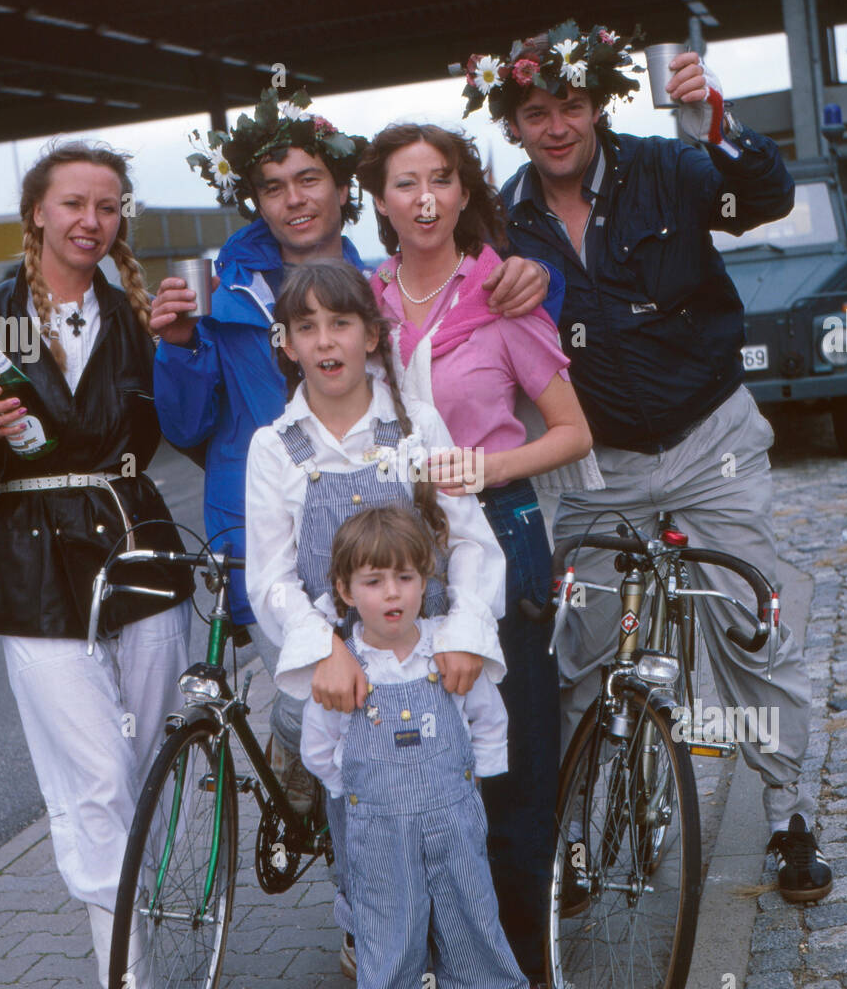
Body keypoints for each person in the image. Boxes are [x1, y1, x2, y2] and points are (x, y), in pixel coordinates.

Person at [455, 21, 832, 902]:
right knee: (582, 648)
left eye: (572, 106)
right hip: (596, 463)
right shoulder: (503, 225)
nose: (556, 126)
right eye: (536, 111)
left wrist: (713, 122)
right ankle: (577, 835)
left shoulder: (669, 166)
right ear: (512, 122)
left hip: (710, 441)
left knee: (750, 624)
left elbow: (764, 197)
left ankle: (788, 818)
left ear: (598, 106)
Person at [151, 90, 557, 835]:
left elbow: (458, 284)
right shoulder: (223, 291)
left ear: (344, 191)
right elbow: (186, 424)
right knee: (324, 711)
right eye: (272, 186)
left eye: (309, 179)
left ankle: (383, 896)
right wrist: (176, 348)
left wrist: (527, 271)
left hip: (393, 555)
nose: (294, 199)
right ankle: (351, 871)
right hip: (268, 537)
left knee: (394, 736)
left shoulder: (381, 288)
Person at [0, 141, 197, 989]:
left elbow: (155, 434)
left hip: (139, 554)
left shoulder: (131, 311)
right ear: (34, 212)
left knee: (146, 773)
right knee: (93, 789)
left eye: (109, 205)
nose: (92, 219)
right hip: (32, 572)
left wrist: (176, 350)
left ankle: (150, 976)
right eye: (73, 202)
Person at [244, 257, 508, 989]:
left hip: (432, 666)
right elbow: (272, 578)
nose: (327, 342)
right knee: (368, 881)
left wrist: (466, 632)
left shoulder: (415, 424)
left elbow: (468, 538)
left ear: (371, 333)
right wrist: (325, 647)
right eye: (307, 327)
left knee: (460, 874)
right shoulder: (274, 448)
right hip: (345, 679)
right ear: (286, 345)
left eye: (342, 323)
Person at [355, 122, 593, 989]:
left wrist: (487, 469)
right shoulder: (362, 304)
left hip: (500, 536)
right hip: (396, 556)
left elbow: (572, 430)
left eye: (441, 181)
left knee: (513, 764)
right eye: (404, 182)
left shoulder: (501, 294)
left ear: (462, 194)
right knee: (412, 767)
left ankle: (523, 969)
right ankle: (427, 968)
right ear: (378, 198)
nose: (423, 198)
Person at [301, 504, 529, 989]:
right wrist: (360, 800)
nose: (392, 594)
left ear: (426, 581)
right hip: (377, 836)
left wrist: (468, 792)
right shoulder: (344, 671)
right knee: (389, 960)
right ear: (346, 592)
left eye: (405, 578)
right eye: (373, 582)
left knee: (476, 944)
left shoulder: (447, 652)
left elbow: (488, 723)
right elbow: (319, 751)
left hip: (453, 821)